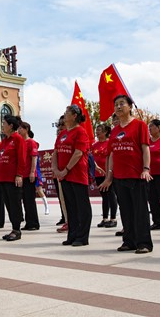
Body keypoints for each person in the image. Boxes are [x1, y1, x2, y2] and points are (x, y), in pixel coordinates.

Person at [99, 95, 153, 254]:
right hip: (119, 177)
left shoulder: (140, 125)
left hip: (137, 175)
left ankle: (144, 243)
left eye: (122, 103)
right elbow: (112, 154)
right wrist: (109, 177)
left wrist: (146, 169)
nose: (118, 107)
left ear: (130, 106)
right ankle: (129, 241)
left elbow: (145, 148)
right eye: (116, 104)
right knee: (126, 211)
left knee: (140, 211)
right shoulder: (115, 131)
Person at [53, 104, 91, 246]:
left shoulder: (80, 132)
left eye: (67, 112)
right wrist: (55, 169)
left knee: (81, 207)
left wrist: (66, 169)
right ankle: (72, 235)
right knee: (70, 207)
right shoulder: (62, 134)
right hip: (64, 176)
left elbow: (78, 153)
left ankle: (82, 237)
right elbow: (56, 152)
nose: (64, 115)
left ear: (74, 116)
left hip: (77, 174)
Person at [0, 115, 27, 241]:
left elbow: (22, 158)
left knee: (15, 204)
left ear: (11, 126)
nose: (2, 125)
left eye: (4, 123)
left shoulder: (18, 139)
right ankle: (13, 228)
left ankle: (17, 230)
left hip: (13, 177)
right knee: (8, 204)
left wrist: (19, 175)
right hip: (3, 178)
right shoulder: (4, 141)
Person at [93, 124, 117, 228]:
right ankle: (105, 218)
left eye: (99, 130)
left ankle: (113, 219)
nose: (97, 132)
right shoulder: (94, 145)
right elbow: (91, 157)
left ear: (105, 132)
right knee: (104, 196)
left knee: (111, 195)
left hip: (109, 174)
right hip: (98, 174)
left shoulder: (109, 143)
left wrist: (109, 173)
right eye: (97, 130)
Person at [18, 121, 40, 231]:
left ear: (26, 129)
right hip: (22, 175)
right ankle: (28, 222)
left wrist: (32, 172)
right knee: (25, 200)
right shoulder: (21, 142)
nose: (18, 130)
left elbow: (34, 158)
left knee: (30, 200)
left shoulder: (31, 142)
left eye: (20, 128)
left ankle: (34, 223)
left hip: (29, 175)